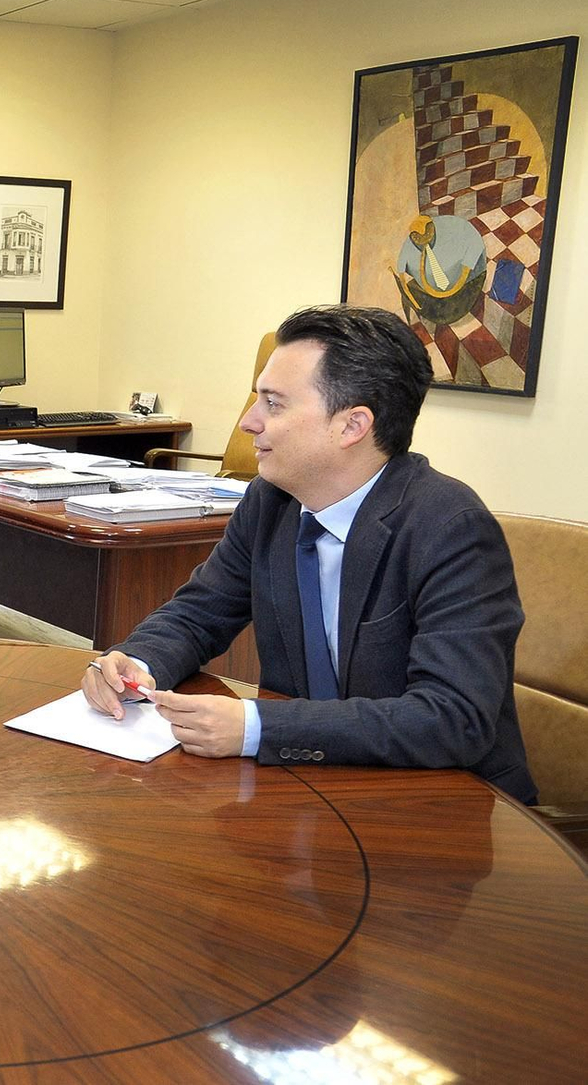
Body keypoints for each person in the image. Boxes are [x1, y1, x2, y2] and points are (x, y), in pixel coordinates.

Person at [81, 305, 535, 802]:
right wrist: (137, 663)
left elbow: (453, 718)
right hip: (310, 789)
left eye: (273, 404)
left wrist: (258, 726)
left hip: (438, 804)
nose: (248, 423)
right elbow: (199, 612)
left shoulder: (449, 528)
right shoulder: (270, 499)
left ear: (352, 425)